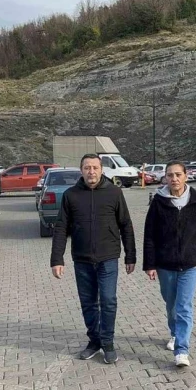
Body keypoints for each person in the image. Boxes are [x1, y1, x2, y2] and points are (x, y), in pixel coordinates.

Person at [50, 153, 136, 364]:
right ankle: (94, 341)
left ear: (101, 170)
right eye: (87, 168)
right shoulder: (71, 195)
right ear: (81, 170)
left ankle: (108, 343)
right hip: (82, 259)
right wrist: (57, 259)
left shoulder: (114, 193)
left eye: (95, 168)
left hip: (108, 258)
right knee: (88, 303)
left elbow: (126, 224)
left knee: (108, 301)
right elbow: (61, 227)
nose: (91, 172)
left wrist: (130, 255)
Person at [143, 161, 196, 367]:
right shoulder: (158, 202)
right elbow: (149, 236)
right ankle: (174, 333)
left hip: (191, 263)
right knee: (171, 305)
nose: (174, 179)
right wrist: (150, 264)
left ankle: (182, 350)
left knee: (184, 306)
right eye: (170, 175)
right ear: (165, 178)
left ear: (186, 176)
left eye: (178, 174)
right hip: (165, 264)